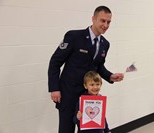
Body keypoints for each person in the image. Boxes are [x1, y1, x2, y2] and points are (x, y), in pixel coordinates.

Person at [48, 5, 124, 133]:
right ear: (93, 19)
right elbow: (55, 62)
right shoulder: (74, 36)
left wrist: (110, 76)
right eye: (102, 20)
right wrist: (54, 88)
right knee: (66, 129)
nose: (105, 25)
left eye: (108, 22)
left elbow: (98, 66)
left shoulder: (105, 44)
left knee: (88, 130)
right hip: (68, 93)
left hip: (88, 95)